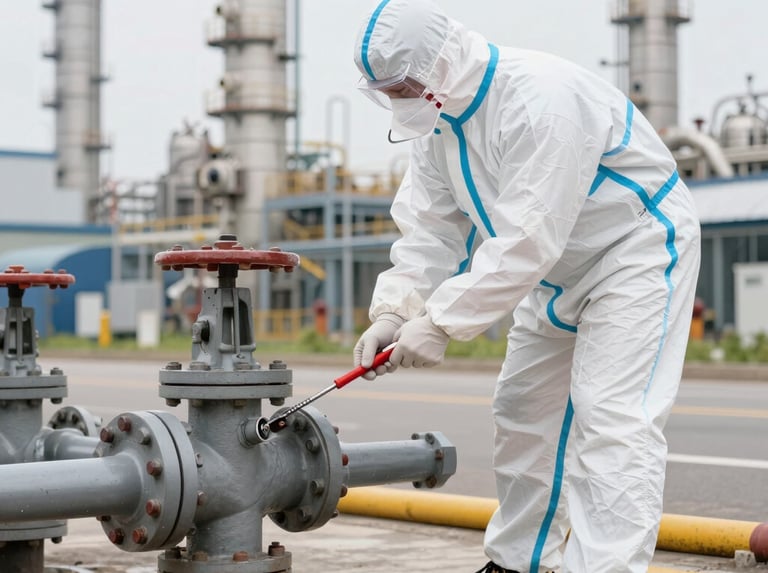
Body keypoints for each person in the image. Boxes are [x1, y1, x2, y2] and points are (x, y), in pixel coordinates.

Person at [351, 1, 701, 572]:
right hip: (554, 270)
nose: (395, 99)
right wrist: (396, 310)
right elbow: (430, 231)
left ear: (439, 63)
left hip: (633, 250)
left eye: (401, 85)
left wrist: (440, 322)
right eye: (385, 89)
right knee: (523, 410)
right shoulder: (436, 124)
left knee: (611, 420)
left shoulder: (539, 99)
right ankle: (520, 562)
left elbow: (528, 233)